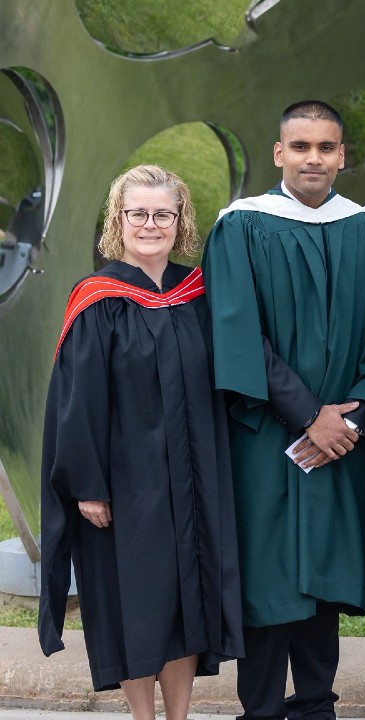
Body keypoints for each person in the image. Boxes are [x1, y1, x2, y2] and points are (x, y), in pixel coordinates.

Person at [202, 100, 365, 720]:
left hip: (343, 440)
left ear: (343, 156)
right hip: (267, 437)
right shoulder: (242, 226)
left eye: (327, 148)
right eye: (302, 146)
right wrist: (311, 415)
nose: (315, 158)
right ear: (279, 152)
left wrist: (355, 419)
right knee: (271, 578)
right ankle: (258, 710)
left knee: (326, 581)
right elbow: (235, 330)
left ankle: (317, 706)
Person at [39, 165, 243, 719]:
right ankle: (143, 716)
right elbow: (76, 404)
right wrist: (88, 486)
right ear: (118, 220)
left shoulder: (196, 292)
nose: (150, 224)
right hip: (125, 488)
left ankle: (177, 716)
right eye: (138, 214)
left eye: (162, 214)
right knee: (135, 606)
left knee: (184, 605)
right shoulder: (98, 298)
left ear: (180, 222)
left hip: (193, 479)